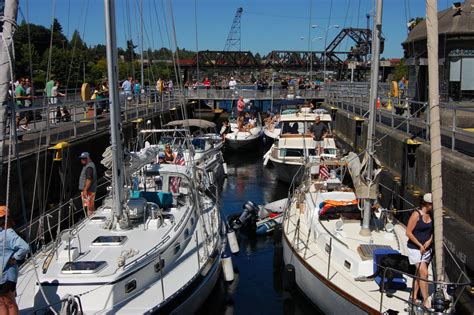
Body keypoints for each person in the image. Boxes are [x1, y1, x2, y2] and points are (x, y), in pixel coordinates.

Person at [0, 205, 30, 315]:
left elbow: (25, 247)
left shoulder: (9, 233)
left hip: (7, 274)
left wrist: (14, 258)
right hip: (1, 274)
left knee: (9, 302)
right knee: (1, 303)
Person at [406, 193, 433, 309]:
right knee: (424, 273)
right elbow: (408, 232)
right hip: (415, 249)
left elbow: (432, 232)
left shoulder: (432, 215)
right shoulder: (416, 215)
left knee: (419, 274)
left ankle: (413, 296)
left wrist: (429, 242)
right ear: (427, 204)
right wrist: (419, 244)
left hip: (427, 250)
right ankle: (426, 301)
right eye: (432, 204)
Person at [78, 152, 97, 217]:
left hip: (89, 191)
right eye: (81, 158)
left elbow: (89, 179)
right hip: (89, 190)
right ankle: (93, 216)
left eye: (84, 158)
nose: (82, 160)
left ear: (88, 158)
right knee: (90, 205)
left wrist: (85, 189)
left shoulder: (89, 167)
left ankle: (91, 217)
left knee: (89, 207)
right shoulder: (89, 165)